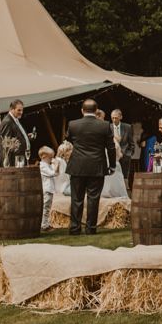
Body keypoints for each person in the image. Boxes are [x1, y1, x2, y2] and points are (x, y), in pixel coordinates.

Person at [66, 99, 116, 235]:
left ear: (82, 110)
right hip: (97, 166)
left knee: (76, 199)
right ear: (96, 110)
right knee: (93, 199)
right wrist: (112, 166)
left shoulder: (73, 125)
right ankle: (90, 228)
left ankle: (75, 228)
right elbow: (111, 148)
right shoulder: (105, 126)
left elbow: (70, 140)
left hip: (77, 166)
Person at [0, 99, 31, 167]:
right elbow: (6, 144)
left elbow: (16, 136)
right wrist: (8, 164)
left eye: (22, 110)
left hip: (21, 158)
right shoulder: (7, 122)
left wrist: (26, 137)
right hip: (14, 160)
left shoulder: (15, 120)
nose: (21, 112)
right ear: (11, 109)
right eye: (19, 110)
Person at [110, 109, 135, 182]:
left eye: (116, 118)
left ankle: (125, 190)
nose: (114, 120)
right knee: (113, 177)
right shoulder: (108, 127)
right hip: (113, 157)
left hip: (125, 156)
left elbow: (131, 143)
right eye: (112, 118)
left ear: (121, 117)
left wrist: (129, 154)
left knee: (124, 177)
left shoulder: (128, 127)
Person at [38, 146, 57, 232]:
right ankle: (44, 225)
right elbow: (52, 173)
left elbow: (55, 173)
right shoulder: (42, 166)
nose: (51, 160)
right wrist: (55, 164)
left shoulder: (47, 165)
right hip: (46, 190)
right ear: (44, 157)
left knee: (48, 208)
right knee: (45, 208)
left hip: (50, 190)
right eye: (50, 158)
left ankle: (46, 223)